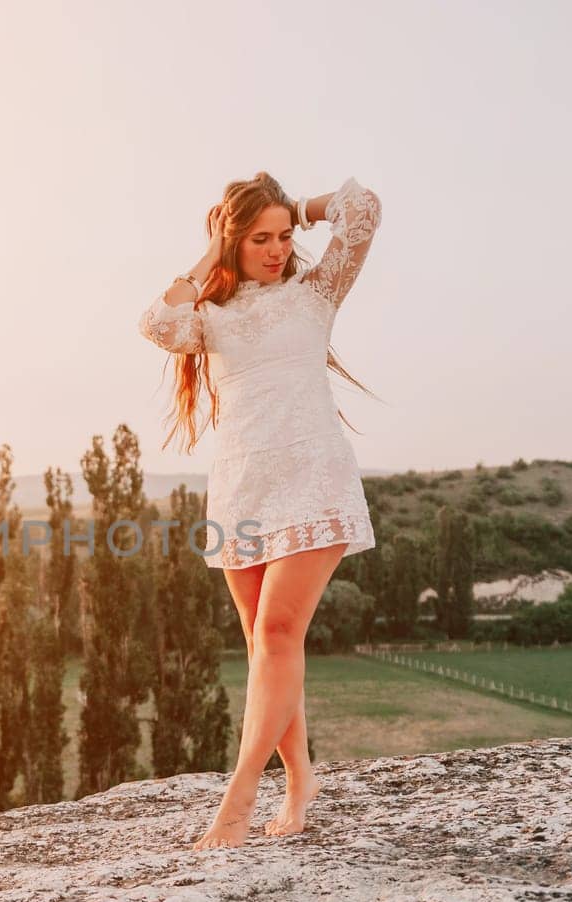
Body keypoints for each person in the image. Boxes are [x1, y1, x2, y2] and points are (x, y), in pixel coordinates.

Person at [137, 171, 384, 849]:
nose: (278, 249)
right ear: (233, 241)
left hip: (313, 478)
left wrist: (300, 209)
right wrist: (213, 250)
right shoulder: (210, 320)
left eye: (284, 237)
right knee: (264, 647)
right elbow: (156, 322)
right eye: (261, 238)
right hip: (242, 488)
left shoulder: (317, 294)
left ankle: (239, 796)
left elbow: (363, 209)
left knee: (277, 632)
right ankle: (301, 775)